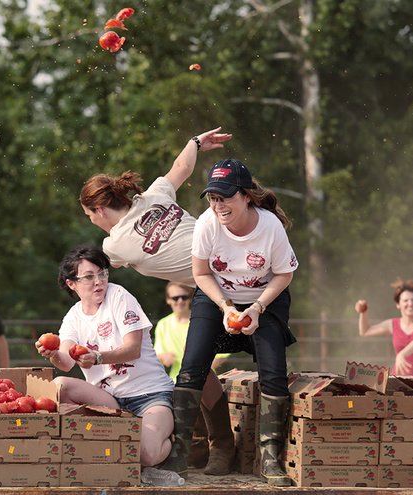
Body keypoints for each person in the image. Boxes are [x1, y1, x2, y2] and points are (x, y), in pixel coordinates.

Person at [79, 127, 236, 476]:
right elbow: (180, 167)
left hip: (236, 276)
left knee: (198, 369)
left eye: (90, 214)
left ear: (100, 208)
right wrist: (196, 143)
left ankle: (213, 445)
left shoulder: (114, 246)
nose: (91, 221)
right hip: (214, 289)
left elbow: (111, 264)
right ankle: (216, 446)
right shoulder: (152, 196)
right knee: (196, 368)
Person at [158, 158, 299, 487]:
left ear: (246, 195)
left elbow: (285, 273)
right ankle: (179, 455)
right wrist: (225, 306)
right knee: (191, 366)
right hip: (217, 295)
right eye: (213, 198)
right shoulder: (208, 224)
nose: (218, 205)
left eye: (225, 197)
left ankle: (269, 457)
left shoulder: (270, 227)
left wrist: (258, 308)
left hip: (266, 297)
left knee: (274, 372)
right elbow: (200, 273)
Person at [35, 244, 175, 471]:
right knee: (59, 385)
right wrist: (52, 354)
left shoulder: (119, 296)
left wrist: (98, 357)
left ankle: (171, 441)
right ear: (72, 284)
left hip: (149, 396)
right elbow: (66, 361)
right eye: (89, 277)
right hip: (109, 401)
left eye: (102, 273)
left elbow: (133, 349)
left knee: (145, 455)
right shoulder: (73, 317)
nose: (99, 282)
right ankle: (90, 442)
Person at [153, 281, 229, 468]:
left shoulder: (201, 323)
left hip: (204, 379)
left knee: (198, 387)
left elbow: (221, 356)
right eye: (175, 297)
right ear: (168, 300)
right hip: (174, 381)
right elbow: (157, 355)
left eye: (184, 297)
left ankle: (215, 450)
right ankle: (192, 453)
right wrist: (163, 357)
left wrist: (200, 366)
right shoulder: (163, 325)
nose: (180, 301)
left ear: (191, 299)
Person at [355, 277, 413, 377]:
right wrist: (363, 312)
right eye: (405, 300)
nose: (410, 303)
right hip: (399, 380)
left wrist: (401, 354)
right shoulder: (392, 324)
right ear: (398, 304)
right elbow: (365, 331)